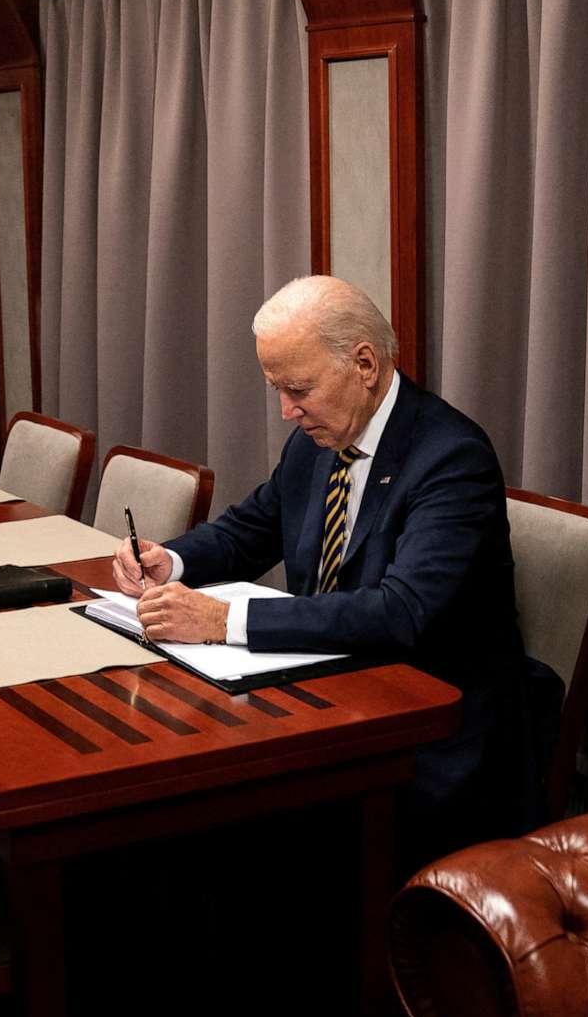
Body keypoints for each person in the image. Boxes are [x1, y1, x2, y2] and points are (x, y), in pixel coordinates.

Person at [112, 275, 551, 856]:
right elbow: (254, 528)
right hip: (328, 696)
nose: (287, 411)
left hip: (432, 727)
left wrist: (222, 622)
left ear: (364, 363)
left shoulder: (450, 456)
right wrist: (171, 558)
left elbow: (401, 611)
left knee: (230, 821)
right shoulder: (319, 438)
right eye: (276, 389)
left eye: (298, 389)